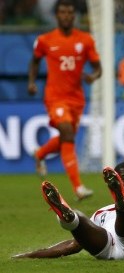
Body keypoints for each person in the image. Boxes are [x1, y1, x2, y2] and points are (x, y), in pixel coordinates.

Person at [28, 0, 102, 200]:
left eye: (70, 12)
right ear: (57, 15)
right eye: (62, 12)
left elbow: (98, 69)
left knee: (66, 138)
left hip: (77, 99)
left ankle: (41, 153)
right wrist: (32, 82)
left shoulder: (85, 40)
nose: (66, 16)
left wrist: (92, 77)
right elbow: (34, 61)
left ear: (74, 15)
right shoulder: (45, 40)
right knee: (67, 132)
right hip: (54, 97)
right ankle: (78, 188)